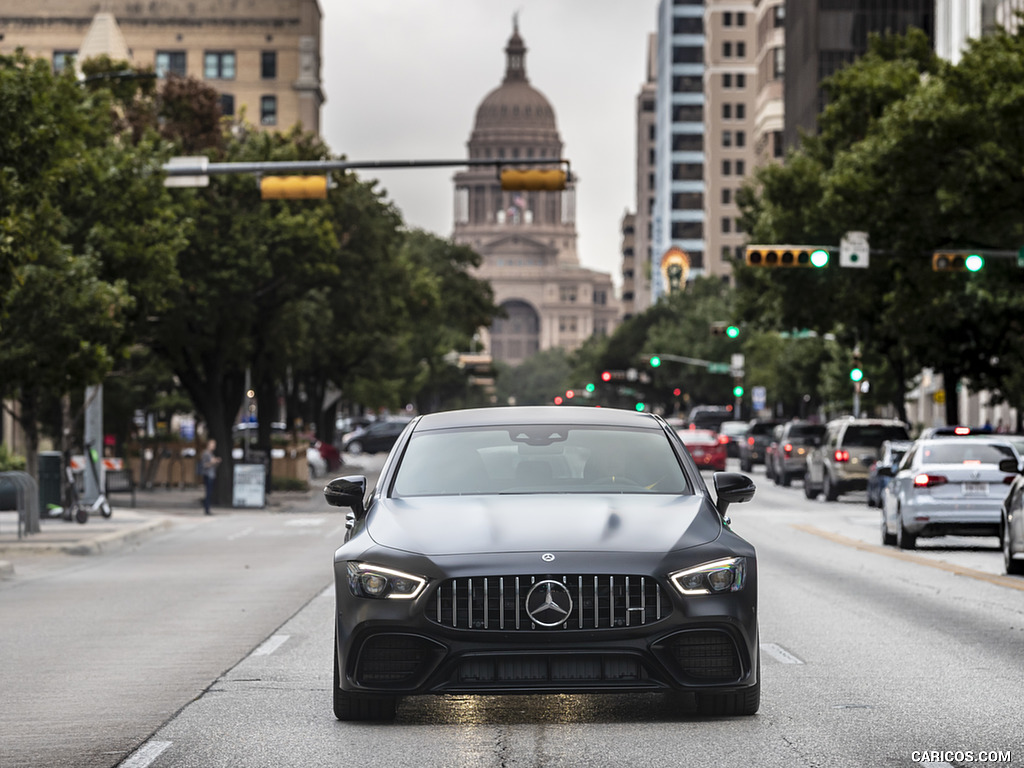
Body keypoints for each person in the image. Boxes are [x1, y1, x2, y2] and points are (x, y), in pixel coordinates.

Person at [200, 439, 221, 515]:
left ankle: (208, 508)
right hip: (208, 474)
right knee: (208, 492)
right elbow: (204, 465)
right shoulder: (206, 453)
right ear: (208, 445)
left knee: (210, 492)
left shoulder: (211, 454)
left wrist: (216, 462)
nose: (214, 446)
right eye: (212, 445)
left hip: (211, 474)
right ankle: (206, 509)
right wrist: (212, 462)